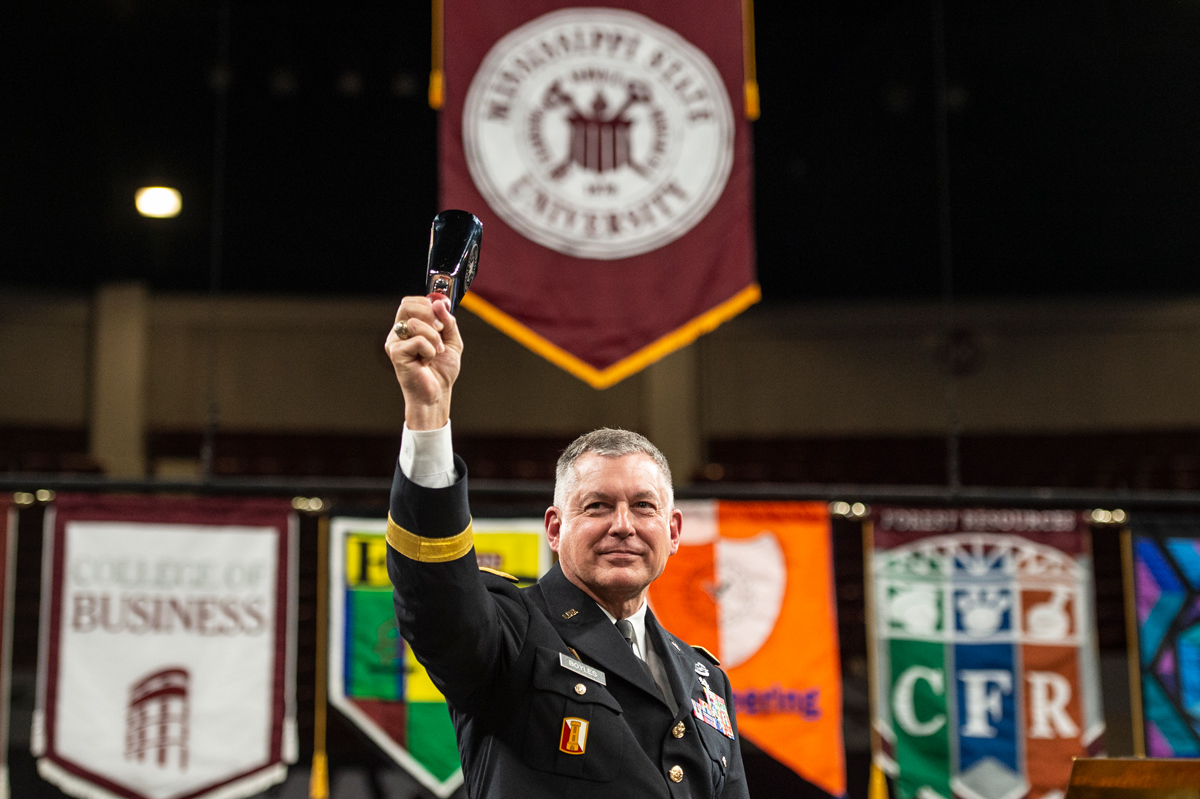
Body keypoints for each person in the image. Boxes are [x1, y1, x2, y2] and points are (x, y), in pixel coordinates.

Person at [384, 295, 749, 798]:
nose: (623, 525)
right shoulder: (513, 634)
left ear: (674, 531)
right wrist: (428, 413)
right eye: (597, 506)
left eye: (644, 507)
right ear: (554, 530)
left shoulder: (707, 679)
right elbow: (438, 603)